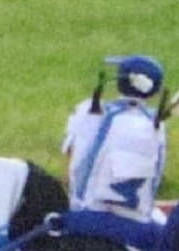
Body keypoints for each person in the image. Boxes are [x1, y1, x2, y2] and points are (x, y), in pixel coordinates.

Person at [60, 55, 171, 223]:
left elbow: (68, 175)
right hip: (138, 222)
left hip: (84, 214)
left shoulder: (87, 110)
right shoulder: (156, 124)